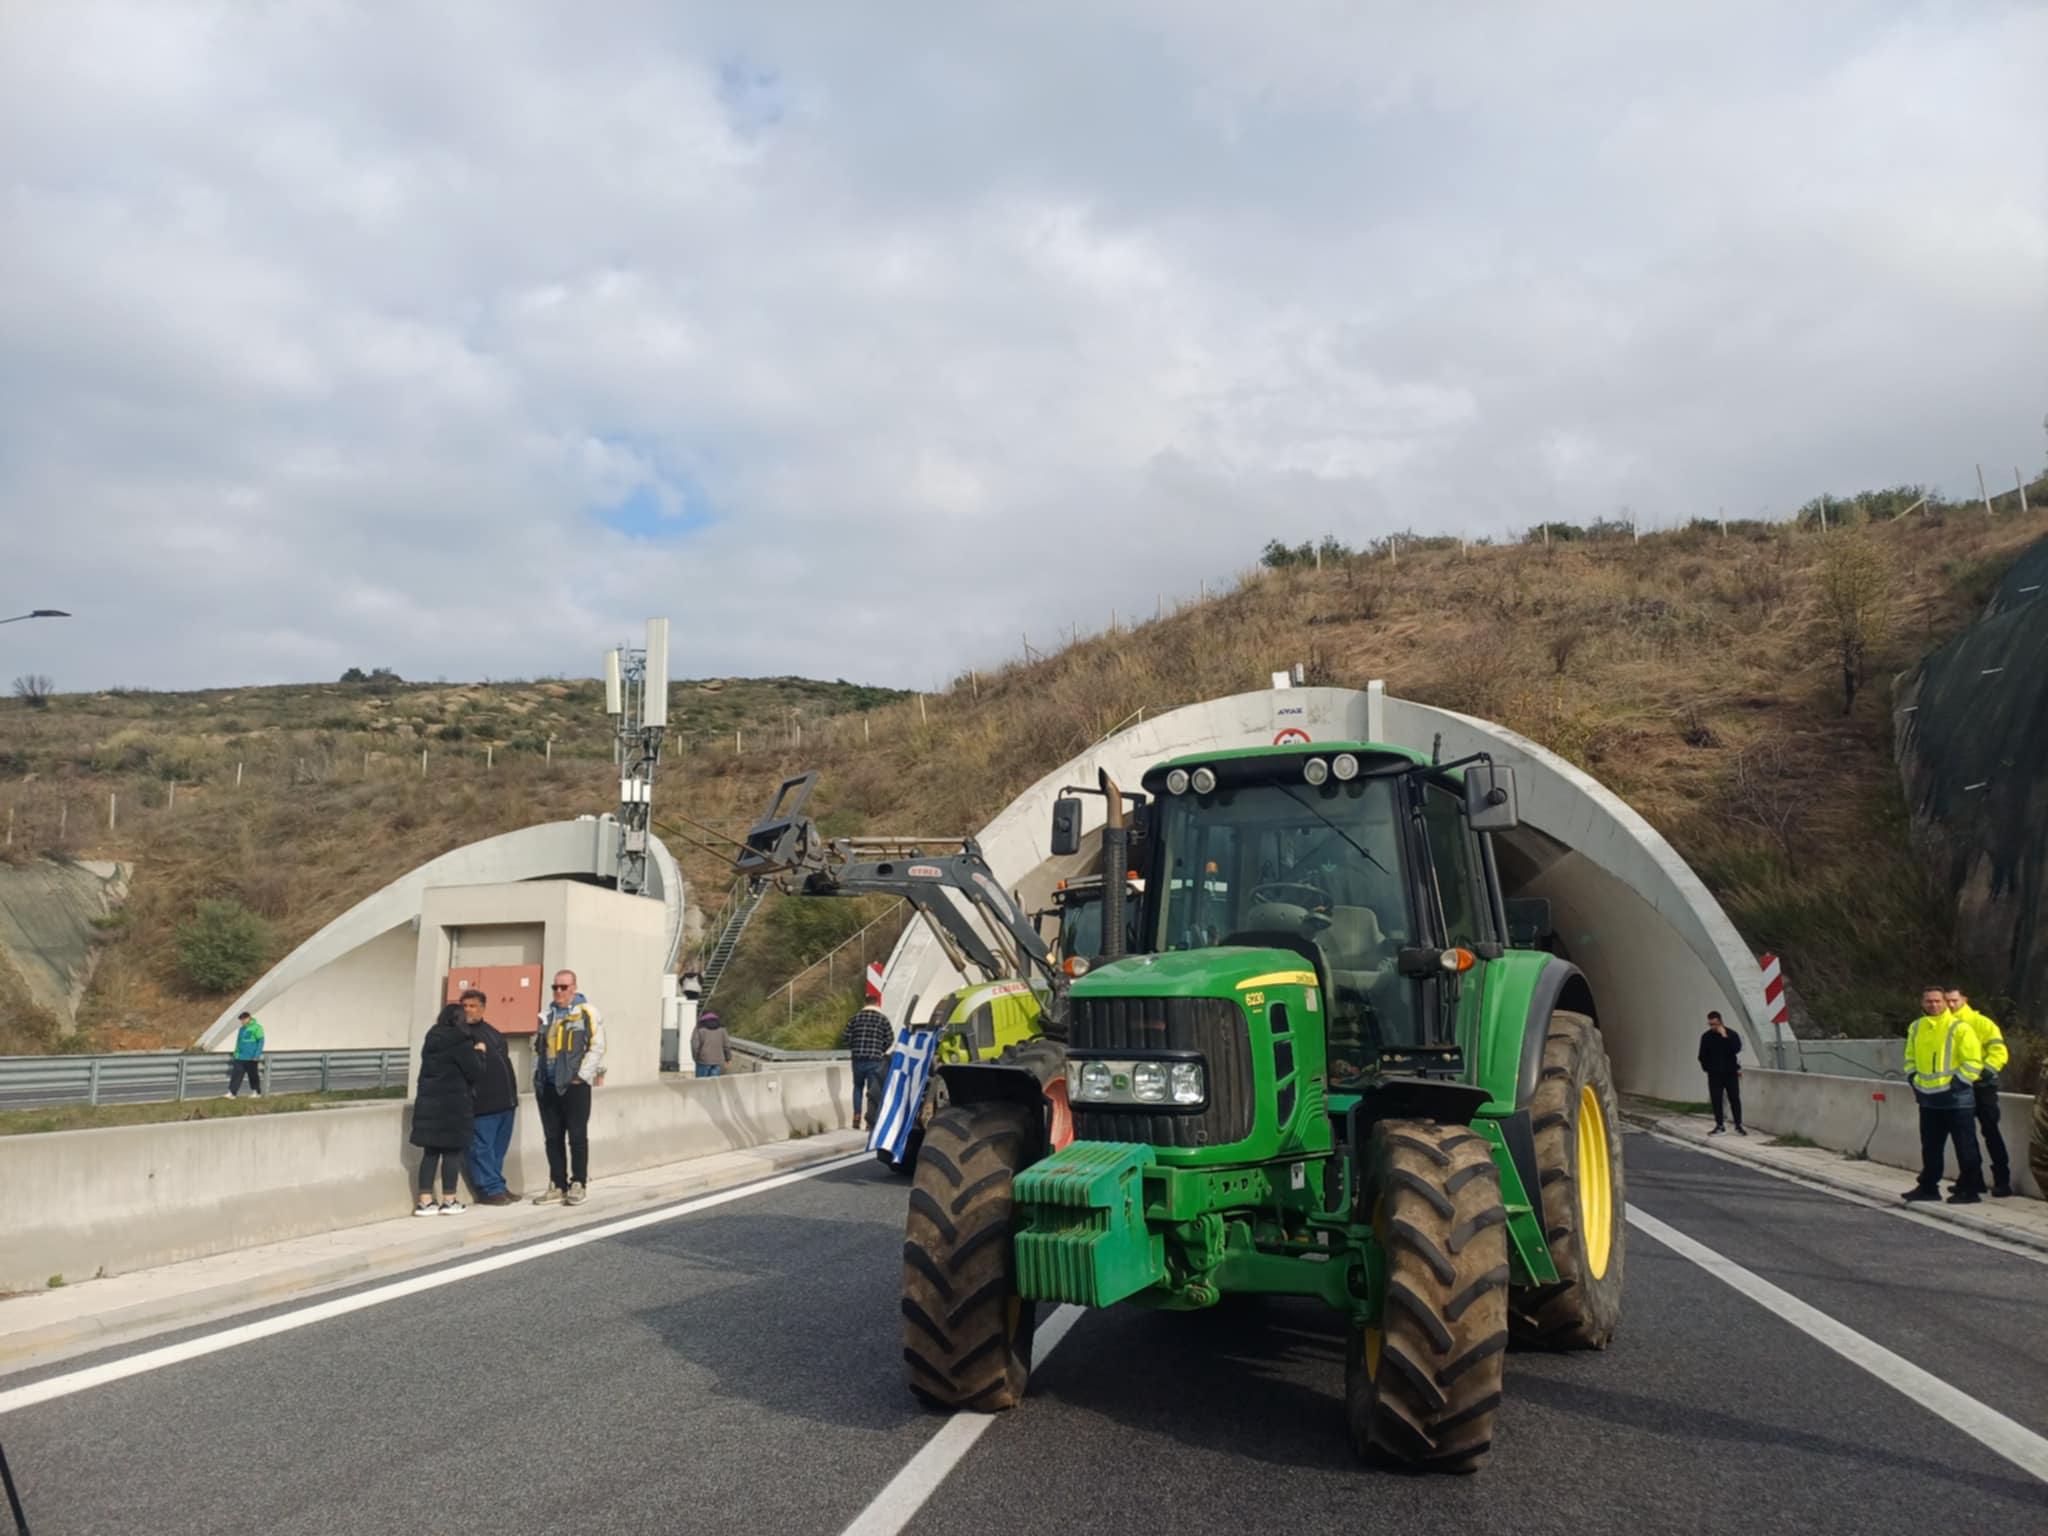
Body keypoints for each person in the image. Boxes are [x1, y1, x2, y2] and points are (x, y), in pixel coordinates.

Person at [1902, 986, 1985, 1205]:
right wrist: (1912, 1078)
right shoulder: (1916, 1027)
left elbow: (1973, 1061)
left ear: (1946, 1003)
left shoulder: (1960, 1028)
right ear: (1922, 1003)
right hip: (1928, 1099)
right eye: (1929, 1001)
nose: (1934, 1005)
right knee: (1930, 1147)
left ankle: (1969, 1189)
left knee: (1966, 1147)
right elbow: (1909, 1057)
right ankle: (1928, 1187)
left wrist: (1958, 1084)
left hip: (1957, 1100)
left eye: (1938, 1001)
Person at [533, 970, 604, 1207]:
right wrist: (537, 1077)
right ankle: (557, 1183)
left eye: (564, 987)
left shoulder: (586, 1013)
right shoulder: (546, 1016)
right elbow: (539, 1049)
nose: (559, 992)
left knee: (576, 1135)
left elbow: (597, 1046)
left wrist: (582, 1076)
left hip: (574, 1085)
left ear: (574, 988)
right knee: (552, 1136)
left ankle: (578, 1182)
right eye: (555, 987)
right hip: (548, 1084)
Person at [412, 1002, 485, 1215]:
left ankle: (424, 1201)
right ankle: (449, 1199)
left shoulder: (431, 1039)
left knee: (430, 1153)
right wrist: (480, 1053)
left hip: (428, 1104)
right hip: (452, 1105)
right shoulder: (460, 1042)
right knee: (451, 1152)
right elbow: (475, 1072)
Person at [1944, 988, 2012, 1198]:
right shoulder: (1944, 1025)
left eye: (1954, 1000)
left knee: (1990, 1132)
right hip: (1959, 1088)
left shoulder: (1982, 1023)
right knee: (1964, 1136)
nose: (1950, 1005)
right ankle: (1973, 1179)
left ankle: (2002, 1181)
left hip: (1983, 1088)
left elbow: (1998, 1052)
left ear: (1965, 999)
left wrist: (1985, 1072)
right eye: (1947, 1001)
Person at [460, 989, 519, 1206]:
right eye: (464, 1006)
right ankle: (488, 1188)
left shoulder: (492, 1032)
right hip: (481, 1104)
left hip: (505, 1102)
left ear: (483, 1008)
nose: (468, 1010)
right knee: (481, 1148)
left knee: (497, 1150)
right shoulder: (460, 1034)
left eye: (473, 1006)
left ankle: (498, 1184)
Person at [841, 971, 893, 1130]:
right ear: (877, 1003)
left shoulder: (855, 1018)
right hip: (874, 1060)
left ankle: (856, 1115)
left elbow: (845, 1036)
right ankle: (870, 1123)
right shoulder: (882, 1019)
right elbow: (890, 1038)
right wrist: (880, 1049)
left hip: (857, 1059)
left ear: (865, 1003)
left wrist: (854, 1047)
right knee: (872, 1092)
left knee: (857, 1087)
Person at [1698, 1010, 1744, 1135]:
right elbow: (1702, 1055)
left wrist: (1725, 1037)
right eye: (1710, 1024)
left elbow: (1736, 1049)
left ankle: (1738, 1125)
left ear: (1720, 1022)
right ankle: (1719, 1125)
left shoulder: (1732, 1034)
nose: (1713, 1027)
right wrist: (1708, 1068)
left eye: (1715, 1024)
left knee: (1734, 1098)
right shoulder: (1706, 1037)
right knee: (1716, 1099)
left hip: (1730, 1072)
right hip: (1714, 1074)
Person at [225, 1010, 265, 1098]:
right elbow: (239, 1043)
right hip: (240, 1057)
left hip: (251, 1057)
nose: (242, 1021)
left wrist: (256, 1055)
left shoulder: (257, 1028)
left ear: (248, 1018)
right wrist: (236, 1054)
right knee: (236, 1075)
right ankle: (232, 1093)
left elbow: (260, 1042)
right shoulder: (241, 1029)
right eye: (241, 1020)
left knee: (253, 1076)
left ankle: (256, 1092)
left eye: (243, 1019)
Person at [690, 1008, 733, 1079]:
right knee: (713, 1085)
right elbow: (727, 1045)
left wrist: (695, 1058)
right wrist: (728, 1058)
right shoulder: (722, 1028)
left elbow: (694, 1045)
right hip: (717, 1061)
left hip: (703, 1060)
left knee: (701, 1084)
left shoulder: (699, 1028)